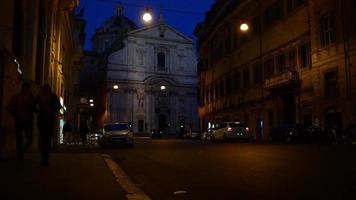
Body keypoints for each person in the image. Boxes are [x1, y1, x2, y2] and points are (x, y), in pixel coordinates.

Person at [6, 83, 35, 163]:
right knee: (28, 138)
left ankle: (20, 154)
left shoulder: (18, 96)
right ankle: (20, 155)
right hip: (25, 121)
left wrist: (14, 113)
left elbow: (8, 107)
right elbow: (9, 107)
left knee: (21, 139)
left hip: (20, 120)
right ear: (27, 89)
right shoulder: (27, 97)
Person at [34, 84, 61, 166]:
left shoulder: (41, 96)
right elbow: (58, 106)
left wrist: (39, 110)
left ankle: (44, 159)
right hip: (47, 118)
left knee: (44, 139)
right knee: (46, 139)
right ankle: (45, 159)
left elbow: (34, 105)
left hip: (44, 118)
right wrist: (51, 109)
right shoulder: (52, 96)